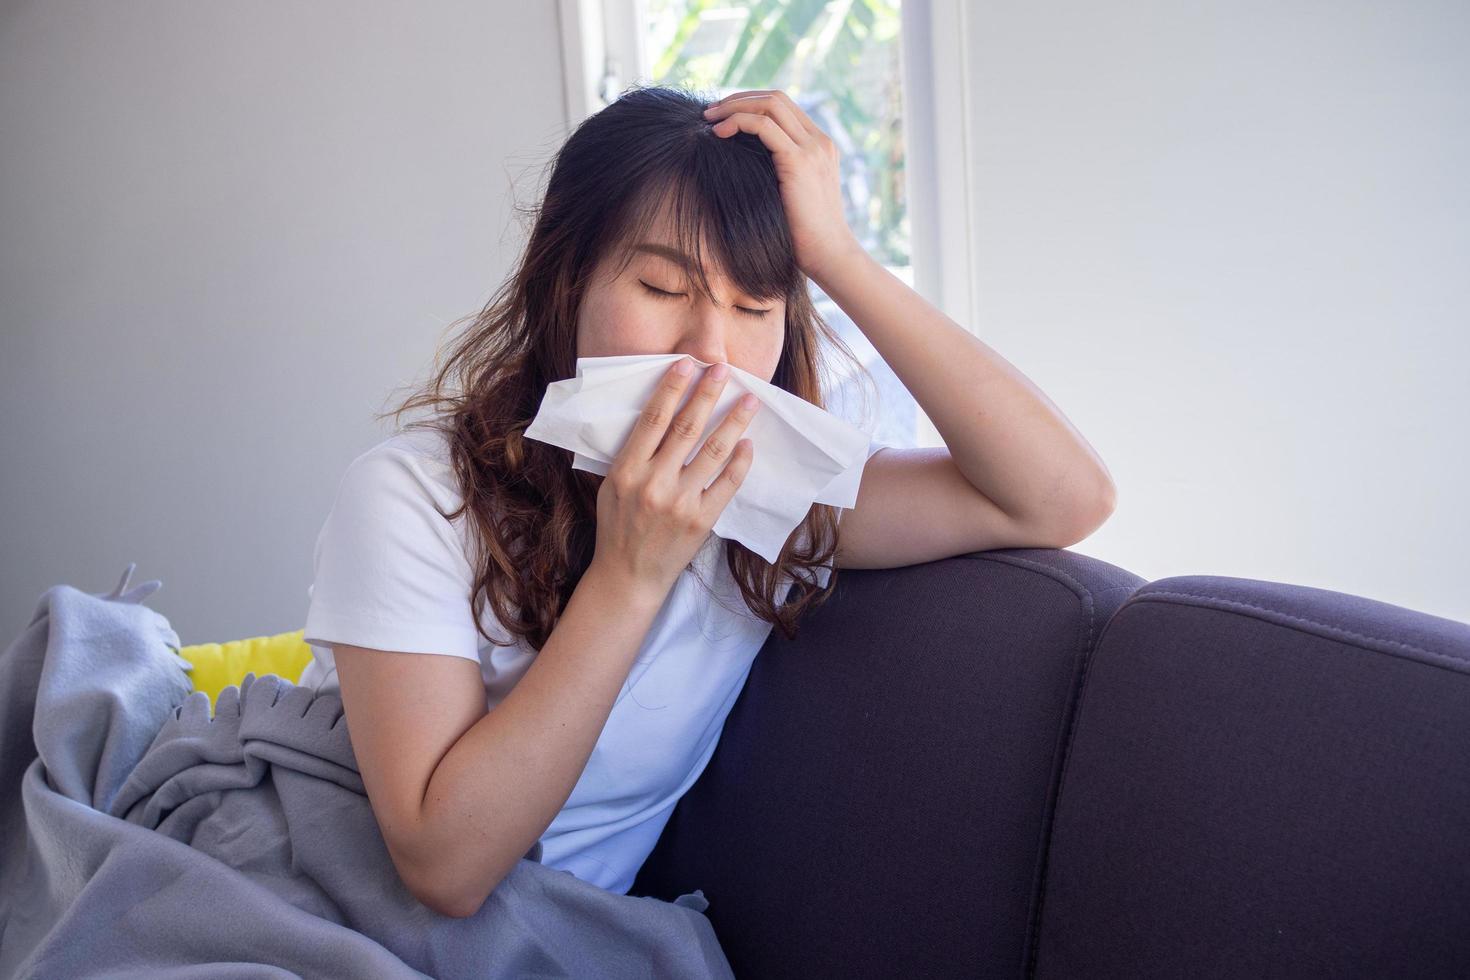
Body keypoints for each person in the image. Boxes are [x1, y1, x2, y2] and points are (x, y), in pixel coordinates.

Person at [301, 84, 1117, 919]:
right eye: (661, 288)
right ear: (565, 280)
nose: (709, 356)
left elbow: (1060, 497)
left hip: (560, 938)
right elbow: (445, 870)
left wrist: (837, 254)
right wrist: (630, 575)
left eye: (753, 306)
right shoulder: (412, 493)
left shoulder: (766, 489)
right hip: (329, 910)